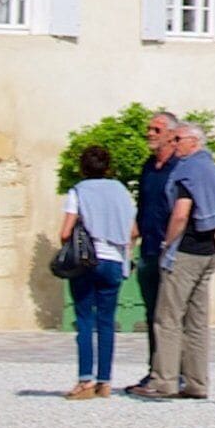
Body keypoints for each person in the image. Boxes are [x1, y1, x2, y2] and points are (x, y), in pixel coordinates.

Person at [132, 113, 215, 400]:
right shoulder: (213, 168)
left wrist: (167, 243)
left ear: (193, 142)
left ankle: (165, 381)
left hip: (185, 251)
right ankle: (197, 382)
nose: (174, 144)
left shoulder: (188, 171)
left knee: (168, 318)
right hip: (207, 250)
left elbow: (181, 212)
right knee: (197, 321)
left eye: (178, 139)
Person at [61, 145, 136, 398]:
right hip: (114, 259)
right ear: (108, 167)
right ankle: (105, 381)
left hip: (87, 260)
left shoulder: (78, 191)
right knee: (106, 321)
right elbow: (133, 230)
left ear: (82, 167)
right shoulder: (121, 191)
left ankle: (85, 380)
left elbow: (65, 231)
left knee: (84, 320)